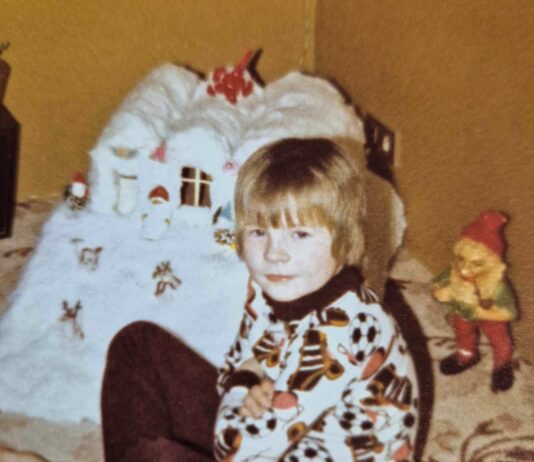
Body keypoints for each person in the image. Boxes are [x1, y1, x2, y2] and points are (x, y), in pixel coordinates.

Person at [3, 138, 419, 461]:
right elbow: (234, 365)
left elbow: (235, 448)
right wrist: (246, 378)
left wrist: (245, 381)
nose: (274, 253)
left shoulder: (343, 330)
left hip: (273, 448)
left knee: (157, 457)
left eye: (300, 234)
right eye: (260, 232)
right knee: (137, 343)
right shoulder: (279, 284)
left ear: (344, 239)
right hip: (272, 434)